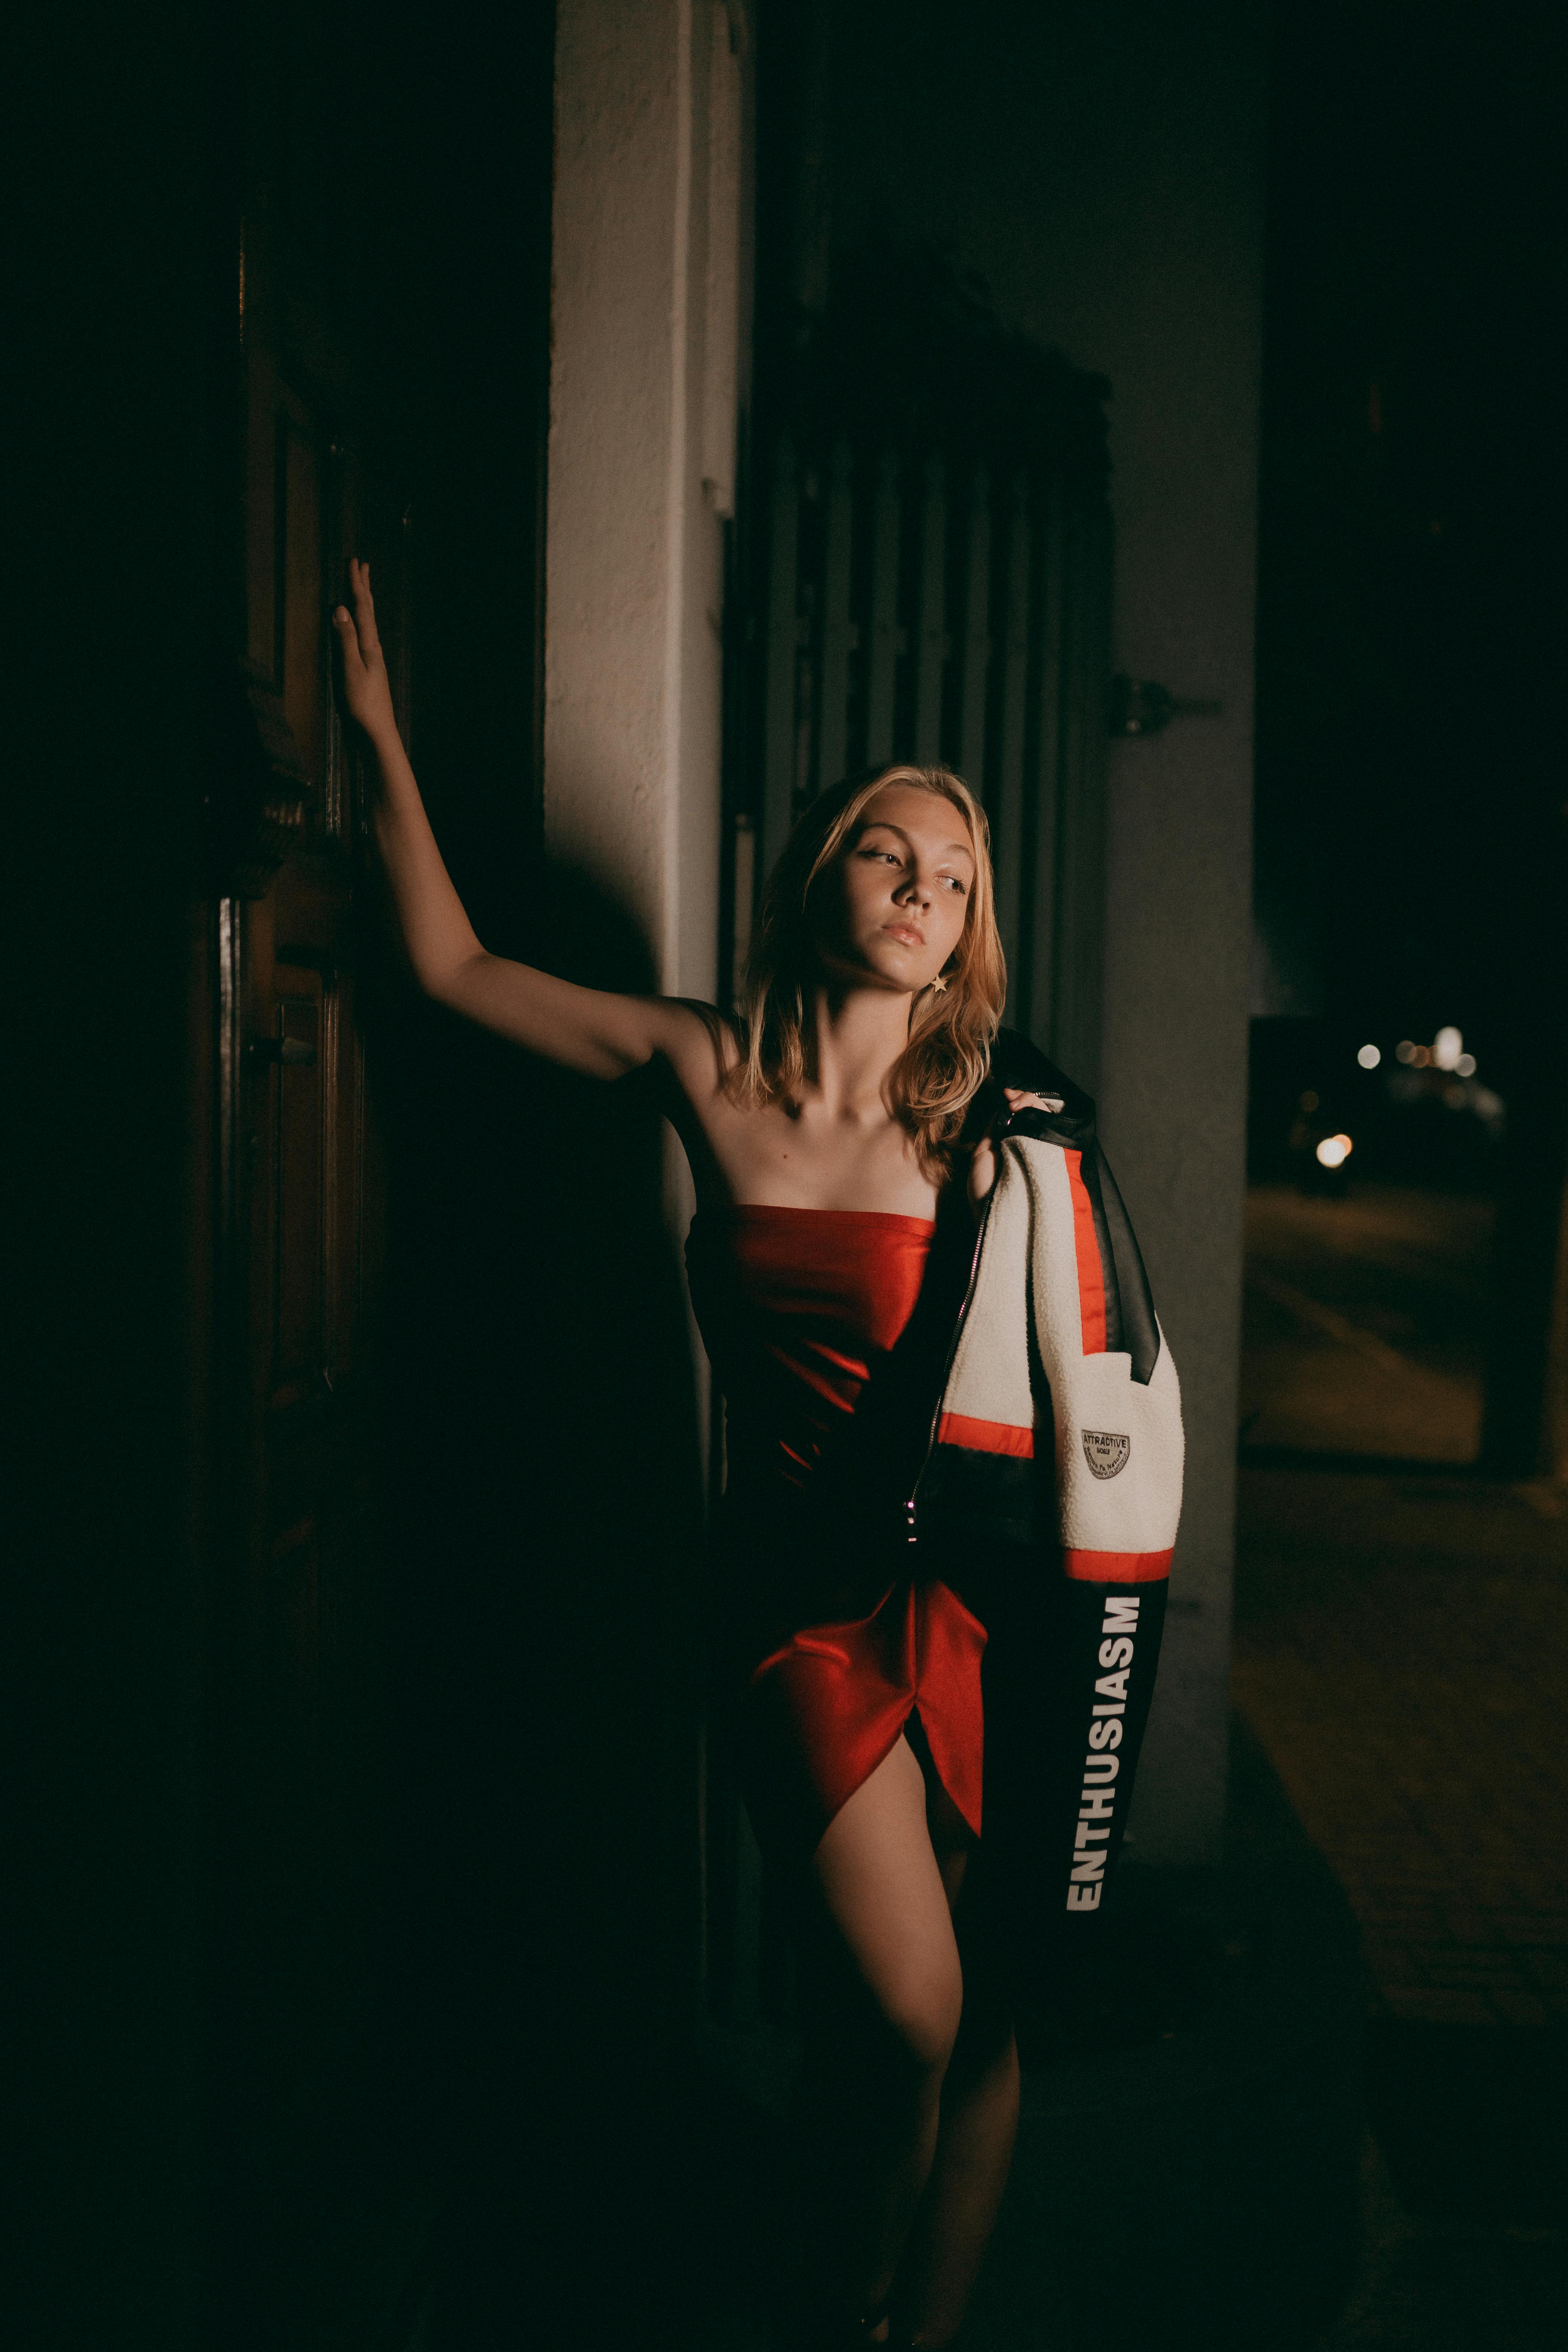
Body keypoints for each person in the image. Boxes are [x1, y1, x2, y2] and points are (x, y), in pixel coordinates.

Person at [334, 559, 1059, 2348]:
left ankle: (899, 2328)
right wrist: (373, 741)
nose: (923, 890)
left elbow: (1072, 1389)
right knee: (904, 2011)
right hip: (786, 1605)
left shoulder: (993, 1132)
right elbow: (447, 969)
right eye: (894, 853)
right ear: (826, 869)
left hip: (951, 1598)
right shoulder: (703, 1065)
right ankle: (857, 2299)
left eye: (954, 878)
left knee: (957, 2038)